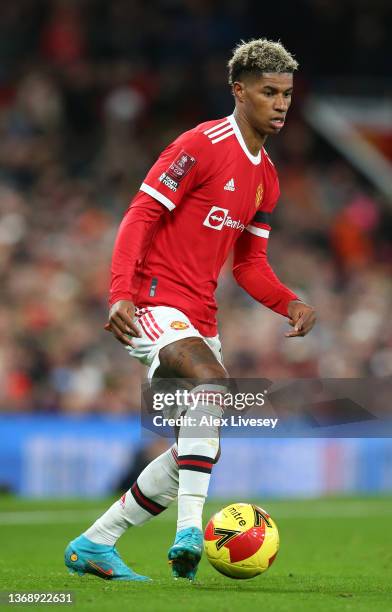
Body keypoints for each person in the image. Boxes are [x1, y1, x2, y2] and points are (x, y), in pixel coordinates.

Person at [65, 38, 316, 582]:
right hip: (152, 302)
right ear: (239, 91)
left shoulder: (266, 176)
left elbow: (250, 265)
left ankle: (95, 542)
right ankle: (188, 532)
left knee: (194, 454)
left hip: (201, 317)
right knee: (210, 380)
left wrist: (288, 302)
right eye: (269, 92)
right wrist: (119, 291)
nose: (280, 104)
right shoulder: (200, 144)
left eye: (288, 94)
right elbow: (140, 214)